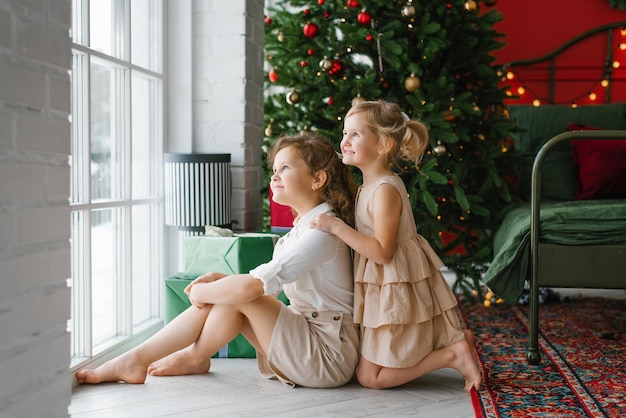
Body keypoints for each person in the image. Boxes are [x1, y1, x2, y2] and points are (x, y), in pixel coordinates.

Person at [75, 133, 360, 388]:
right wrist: (222, 283)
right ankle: (167, 358)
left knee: (239, 294)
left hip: (328, 356)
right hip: (309, 338)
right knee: (234, 293)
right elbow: (263, 288)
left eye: (285, 168)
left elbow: (253, 289)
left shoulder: (322, 232)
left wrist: (201, 292)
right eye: (274, 170)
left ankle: (179, 356)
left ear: (317, 179)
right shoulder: (302, 229)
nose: (274, 177)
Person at [311, 100, 481, 391]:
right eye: (344, 133)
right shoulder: (369, 186)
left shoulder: (385, 190)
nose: (345, 141)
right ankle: (456, 346)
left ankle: (452, 354)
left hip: (395, 287)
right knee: (365, 372)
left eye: (355, 135)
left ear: (384, 145)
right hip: (382, 285)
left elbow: (382, 252)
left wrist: (336, 227)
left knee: (370, 378)